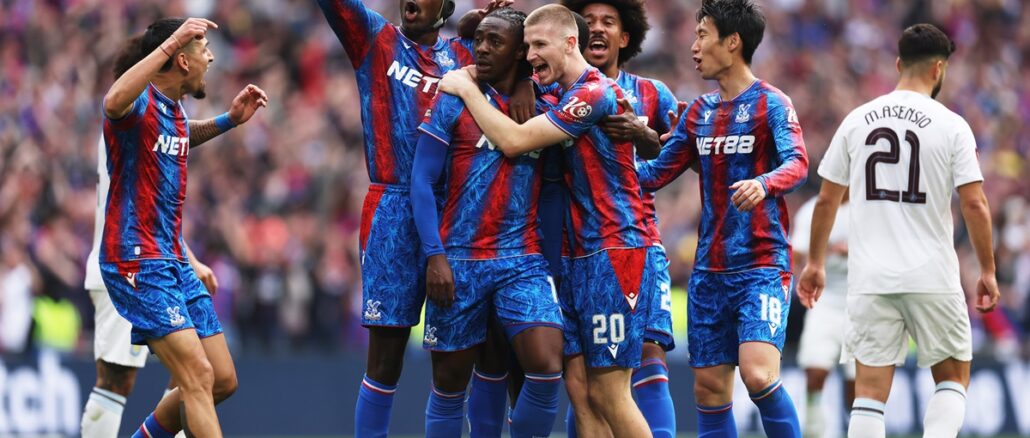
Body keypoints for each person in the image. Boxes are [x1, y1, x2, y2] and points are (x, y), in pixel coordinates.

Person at [314, 1, 535, 435]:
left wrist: (525, 79)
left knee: (485, 351)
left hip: (461, 211)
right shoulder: (376, 38)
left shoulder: (465, 53)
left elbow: (518, 56)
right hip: (393, 211)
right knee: (385, 358)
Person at [439, 4, 654, 436]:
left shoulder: (594, 93)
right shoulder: (556, 92)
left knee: (609, 392)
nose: (531, 55)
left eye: (539, 45)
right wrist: (522, 80)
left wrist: (467, 90)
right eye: (528, 47)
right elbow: (496, 57)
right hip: (575, 256)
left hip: (615, 249)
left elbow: (515, 141)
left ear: (570, 43)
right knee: (580, 389)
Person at [797, 23, 1001, 438]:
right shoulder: (952, 125)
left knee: (868, 396)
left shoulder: (857, 121)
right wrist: (987, 269)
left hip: (870, 278)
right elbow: (975, 204)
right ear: (939, 69)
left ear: (897, 64)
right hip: (932, 273)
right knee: (952, 378)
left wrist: (814, 263)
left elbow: (826, 201)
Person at [634, 0, 808, 436]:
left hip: (761, 265)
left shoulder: (771, 103)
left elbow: (798, 163)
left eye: (702, 36)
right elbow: (653, 174)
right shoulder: (699, 113)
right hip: (709, 273)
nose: (693, 47)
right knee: (710, 390)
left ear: (732, 42)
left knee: (758, 375)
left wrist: (764, 183)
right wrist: (612, 151)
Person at [82, 33, 264, 438]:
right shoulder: (132, 109)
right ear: (180, 60)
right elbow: (113, 103)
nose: (211, 57)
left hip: (169, 256)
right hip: (134, 259)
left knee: (218, 379)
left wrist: (228, 120)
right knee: (185, 375)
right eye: (203, 50)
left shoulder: (171, 110)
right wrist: (174, 41)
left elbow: (178, 136)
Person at [410, 9, 565, 437]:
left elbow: (554, 190)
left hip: (522, 259)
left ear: (519, 52)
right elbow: (422, 181)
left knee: (547, 366)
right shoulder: (452, 98)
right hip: (459, 260)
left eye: (494, 42)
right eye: (478, 39)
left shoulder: (545, 106)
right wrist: (434, 256)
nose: (481, 48)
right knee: (449, 385)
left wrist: (553, 263)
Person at [558, 1, 681, 436]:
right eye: (588, 21)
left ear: (625, 37)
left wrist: (647, 141)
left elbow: (685, 149)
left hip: (633, 242)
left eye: (608, 22)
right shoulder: (554, 90)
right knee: (584, 381)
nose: (597, 29)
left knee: (646, 354)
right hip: (570, 249)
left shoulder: (652, 94)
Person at [791, 192, 855, 437]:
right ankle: (815, 432)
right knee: (815, 372)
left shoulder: (868, 207)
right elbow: (796, 255)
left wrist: (852, 251)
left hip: (861, 300)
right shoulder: (811, 210)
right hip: (823, 300)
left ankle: (857, 429)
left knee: (857, 386)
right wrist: (825, 252)